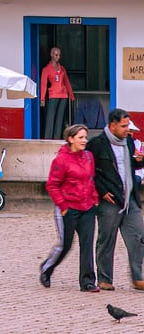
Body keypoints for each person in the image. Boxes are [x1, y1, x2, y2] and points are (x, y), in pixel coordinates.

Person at [87, 108, 144, 290]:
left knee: (139, 236)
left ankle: (137, 277)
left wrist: (140, 161)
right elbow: (89, 171)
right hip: (109, 200)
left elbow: (130, 166)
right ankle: (105, 279)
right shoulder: (97, 144)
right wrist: (101, 191)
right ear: (112, 126)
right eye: (124, 126)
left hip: (130, 198)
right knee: (107, 240)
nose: (128, 129)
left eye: (128, 125)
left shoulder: (128, 141)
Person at [45, 123, 104, 290]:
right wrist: (63, 206)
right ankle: (47, 269)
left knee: (87, 244)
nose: (84, 140)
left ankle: (87, 282)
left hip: (87, 207)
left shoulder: (89, 157)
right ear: (70, 139)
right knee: (66, 245)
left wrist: (94, 199)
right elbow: (52, 185)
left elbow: (91, 179)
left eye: (85, 137)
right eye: (80, 137)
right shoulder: (61, 160)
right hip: (68, 208)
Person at [42, 45, 76, 139]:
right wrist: (42, 98)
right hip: (53, 95)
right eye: (56, 55)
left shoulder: (62, 69)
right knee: (50, 118)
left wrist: (71, 95)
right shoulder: (47, 69)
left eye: (59, 55)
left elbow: (67, 82)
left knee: (60, 119)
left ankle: (56, 138)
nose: (58, 57)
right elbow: (43, 84)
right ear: (51, 55)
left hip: (63, 95)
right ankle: (47, 139)